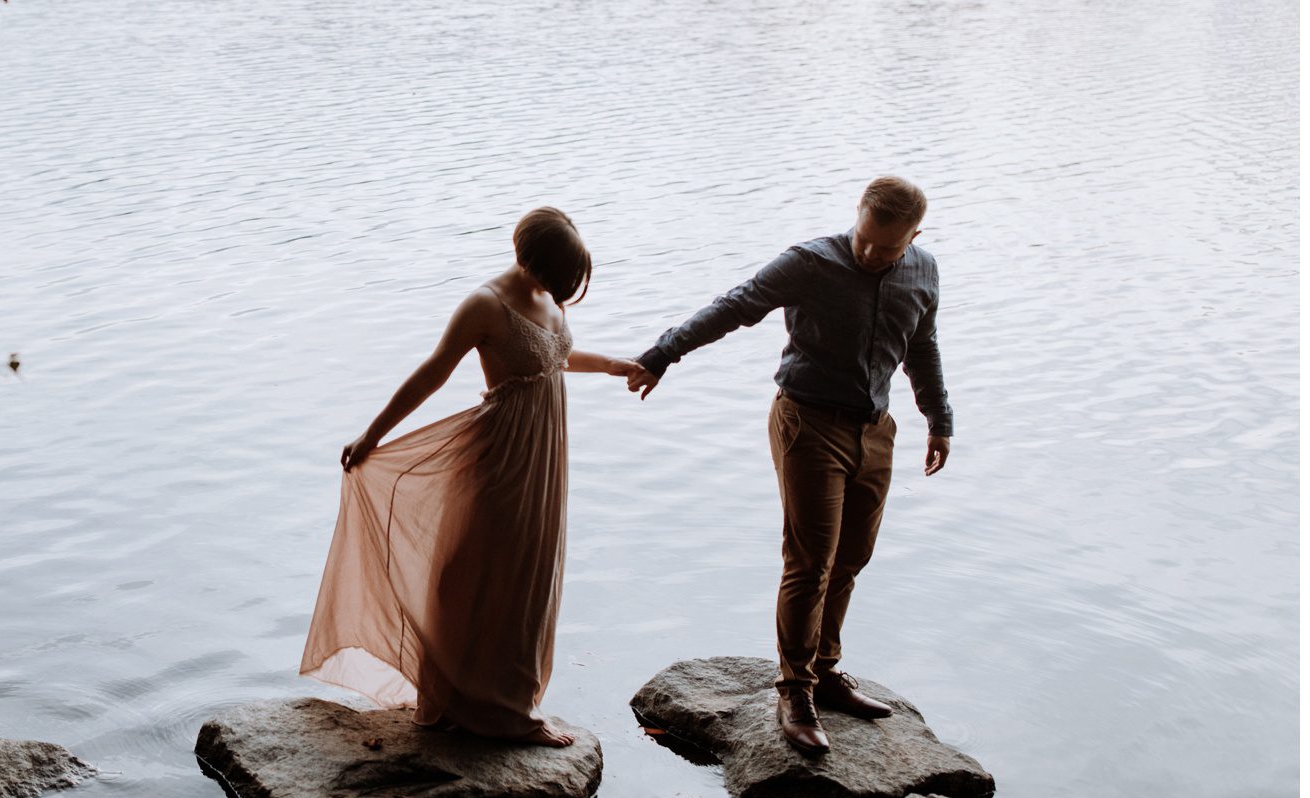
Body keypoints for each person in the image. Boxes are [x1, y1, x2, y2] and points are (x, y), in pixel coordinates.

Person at [629, 176, 953, 755]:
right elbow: (735, 305)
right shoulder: (811, 262)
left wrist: (939, 419)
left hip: (875, 430)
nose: (869, 253)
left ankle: (825, 672)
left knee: (851, 557)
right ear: (857, 215)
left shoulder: (923, 270)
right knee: (810, 562)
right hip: (808, 424)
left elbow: (922, 346)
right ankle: (795, 691)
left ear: (914, 237)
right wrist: (663, 353)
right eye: (864, 238)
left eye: (886, 248)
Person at [301, 208, 640, 747]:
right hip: (500, 454)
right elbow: (434, 372)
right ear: (531, 258)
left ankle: (505, 701)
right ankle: (468, 699)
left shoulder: (546, 296)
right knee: (474, 571)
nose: (562, 291)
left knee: (527, 573)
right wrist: (372, 435)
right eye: (558, 277)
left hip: (544, 456)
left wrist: (615, 365)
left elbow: (557, 356)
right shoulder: (485, 304)